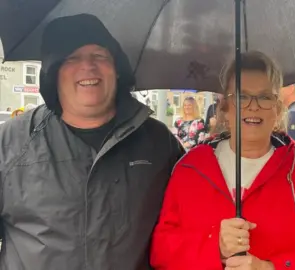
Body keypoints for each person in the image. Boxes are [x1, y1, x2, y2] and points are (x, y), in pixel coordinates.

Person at [0, 14, 184, 270]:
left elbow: (186, 230)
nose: (88, 66)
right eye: (72, 58)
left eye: (99, 55)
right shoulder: (10, 143)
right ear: (53, 73)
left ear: (117, 70)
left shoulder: (159, 143)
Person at [150, 51, 295, 269]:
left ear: (278, 108)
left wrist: (270, 267)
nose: (253, 105)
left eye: (264, 96)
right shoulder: (191, 168)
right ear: (224, 107)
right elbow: (161, 252)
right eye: (241, 96)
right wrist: (214, 246)